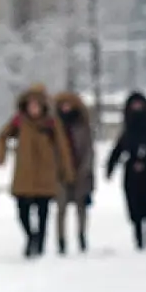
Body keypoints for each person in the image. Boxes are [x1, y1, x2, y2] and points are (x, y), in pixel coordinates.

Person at [0, 84, 75, 258]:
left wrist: (66, 171)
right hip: (24, 174)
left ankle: (39, 243)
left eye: (37, 105)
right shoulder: (19, 122)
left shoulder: (51, 123)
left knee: (43, 212)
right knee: (22, 212)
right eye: (31, 105)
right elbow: (2, 136)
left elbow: (63, 148)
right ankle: (31, 236)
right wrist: (1, 156)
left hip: (45, 173)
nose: (34, 109)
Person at [106, 91, 146, 250]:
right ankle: (139, 238)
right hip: (133, 175)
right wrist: (110, 167)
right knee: (136, 207)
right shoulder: (128, 131)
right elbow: (118, 149)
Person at [53, 90, 96, 255]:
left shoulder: (82, 125)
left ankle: (81, 235)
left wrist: (85, 168)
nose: (66, 108)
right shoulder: (55, 126)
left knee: (81, 206)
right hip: (61, 173)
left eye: (68, 105)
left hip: (81, 171)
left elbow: (89, 149)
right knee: (61, 207)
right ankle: (61, 239)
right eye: (63, 105)